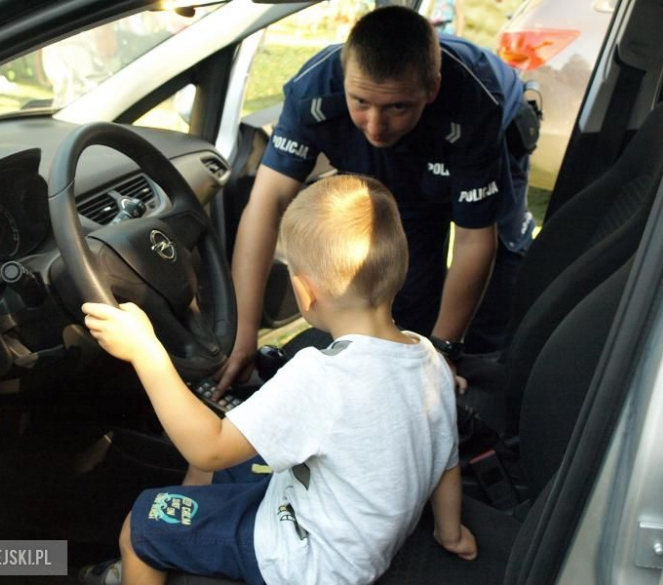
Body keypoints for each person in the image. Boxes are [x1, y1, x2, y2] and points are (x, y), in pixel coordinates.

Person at [80, 175, 477, 585]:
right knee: (219, 474)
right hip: (355, 545)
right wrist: (450, 533)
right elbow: (445, 460)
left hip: (303, 561)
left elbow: (208, 449)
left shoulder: (321, 376)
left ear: (305, 294)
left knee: (143, 524)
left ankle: (143, 560)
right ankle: (193, 544)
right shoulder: (428, 357)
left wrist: (147, 352)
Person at [216, 6, 535, 396]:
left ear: (431, 89)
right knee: (403, 265)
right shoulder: (313, 88)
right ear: (344, 77)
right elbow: (266, 205)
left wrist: (442, 353)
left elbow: (473, 239)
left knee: (500, 277)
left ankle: (481, 378)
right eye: (360, 101)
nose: (376, 125)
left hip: (483, 134)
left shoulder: (473, 103)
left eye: (396, 106)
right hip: (420, 144)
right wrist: (244, 332)